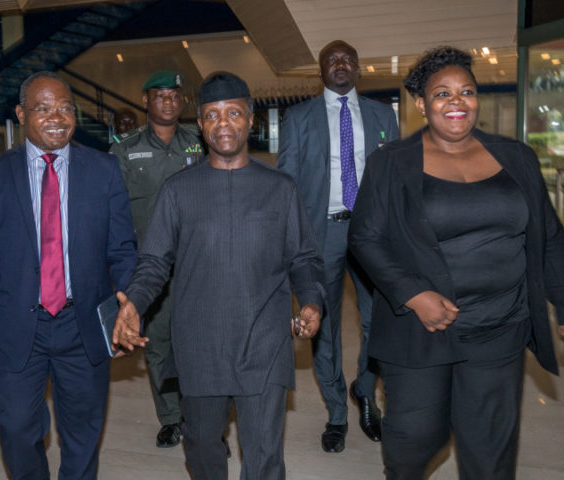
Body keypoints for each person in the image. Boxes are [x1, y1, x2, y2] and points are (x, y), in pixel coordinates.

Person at [348, 46, 564, 479]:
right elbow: (365, 238)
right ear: (421, 103)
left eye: (466, 91)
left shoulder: (517, 157)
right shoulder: (390, 163)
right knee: (414, 441)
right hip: (422, 330)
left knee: (490, 451)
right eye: (442, 94)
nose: (456, 102)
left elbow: (551, 238)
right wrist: (414, 295)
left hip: (500, 329)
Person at [113, 72, 325, 480]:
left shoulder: (280, 187)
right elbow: (154, 259)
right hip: (199, 340)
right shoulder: (178, 190)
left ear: (250, 120)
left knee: (264, 453)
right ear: (201, 125)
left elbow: (304, 256)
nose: (223, 124)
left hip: (263, 337)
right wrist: (135, 303)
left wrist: (311, 299)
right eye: (211, 116)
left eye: (233, 114)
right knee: (203, 445)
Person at [0, 71, 137, 479]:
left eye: (65, 108)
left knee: (83, 433)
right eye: (43, 108)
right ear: (21, 114)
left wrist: (130, 304)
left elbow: (122, 249)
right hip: (17, 325)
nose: (57, 117)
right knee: (16, 429)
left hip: (84, 324)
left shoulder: (104, 170)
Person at [277, 39, 399, 452]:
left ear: (360, 68)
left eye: (348, 58)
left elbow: (395, 179)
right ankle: (336, 412)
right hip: (320, 233)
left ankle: (364, 390)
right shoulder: (298, 118)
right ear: (321, 71)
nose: (341, 64)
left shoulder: (384, 115)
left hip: (371, 234)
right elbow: (287, 185)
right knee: (322, 325)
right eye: (332, 60)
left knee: (378, 320)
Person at [109, 70, 202, 448]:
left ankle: (203, 419)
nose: (168, 101)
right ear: (145, 101)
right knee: (160, 342)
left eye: (174, 95)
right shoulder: (125, 150)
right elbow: (113, 213)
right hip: (152, 268)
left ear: (182, 102)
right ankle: (170, 417)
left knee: (200, 343)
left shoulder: (201, 142)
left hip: (199, 264)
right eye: (159, 95)